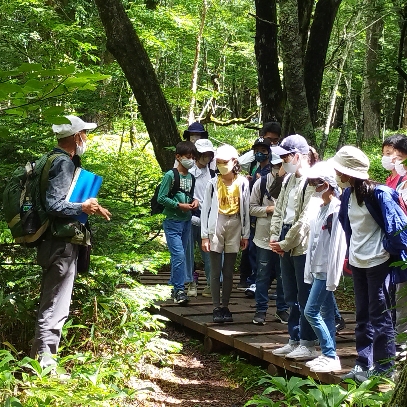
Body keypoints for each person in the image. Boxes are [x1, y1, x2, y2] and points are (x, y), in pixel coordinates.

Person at [30, 115, 111, 369]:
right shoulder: (63, 163)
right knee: (55, 306)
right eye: (84, 134)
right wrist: (82, 207)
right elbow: (54, 205)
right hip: (60, 244)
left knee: (52, 303)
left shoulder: (49, 159)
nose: (86, 138)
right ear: (76, 137)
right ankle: (44, 367)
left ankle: (40, 362)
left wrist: (89, 207)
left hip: (51, 240)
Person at [333, 145, 401, 381]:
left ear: (348, 172)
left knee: (380, 315)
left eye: (339, 170)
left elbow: (398, 228)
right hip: (358, 261)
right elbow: (347, 225)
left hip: (378, 263)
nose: (336, 174)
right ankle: (363, 364)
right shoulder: (347, 195)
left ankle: (384, 368)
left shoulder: (379, 194)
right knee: (362, 315)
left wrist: (386, 249)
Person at [269, 134, 321, 361]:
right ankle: (294, 339)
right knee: (289, 293)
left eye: (286, 157)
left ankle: (308, 342)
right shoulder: (289, 179)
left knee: (304, 293)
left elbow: (305, 220)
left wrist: (285, 243)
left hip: (302, 243)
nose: (283, 162)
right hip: (284, 237)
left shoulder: (313, 180)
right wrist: (275, 237)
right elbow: (279, 209)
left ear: (298, 156)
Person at [303, 162, 346, 373]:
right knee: (326, 313)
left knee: (310, 311)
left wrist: (332, 274)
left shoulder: (336, 210)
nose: (313, 187)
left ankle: (330, 354)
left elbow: (338, 244)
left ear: (327, 184)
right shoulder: (322, 208)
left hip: (326, 269)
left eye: (316, 183)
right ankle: (328, 355)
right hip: (317, 267)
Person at [201, 144, 250, 323]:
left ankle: (225, 306)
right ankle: (216, 307)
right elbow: (205, 210)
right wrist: (204, 236)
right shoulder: (213, 183)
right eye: (219, 162)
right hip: (217, 224)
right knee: (215, 270)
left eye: (225, 162)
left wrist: (246, 234)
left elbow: (246, 209)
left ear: (234, 162)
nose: (221, 165)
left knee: (228, 270)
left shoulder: (242, 183)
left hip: (235, 223)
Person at [238, 122, 282, 290]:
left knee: (265, 251)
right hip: (254, 213)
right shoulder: (254, 167)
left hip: (268, 218)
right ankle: (253, 280)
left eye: (264, 150)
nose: (260, 154)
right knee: (252, 248)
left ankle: (260, 282)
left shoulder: (272, 172)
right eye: (257, 150)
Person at [249, 152, 289, 325]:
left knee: (283, 275)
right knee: (262, 274)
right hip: (263, 237)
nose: (279, 169)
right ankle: (260, 310)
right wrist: (268, 209)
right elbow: (251, 208)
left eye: (282, 165)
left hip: (285, 238)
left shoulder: (292, 182)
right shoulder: (262, 182)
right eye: (276, 166)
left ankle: (282, 309)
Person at [158, 141, 199, 305]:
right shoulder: (170, 175)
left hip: (186, 221)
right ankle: (179, 290)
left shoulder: (191, 177)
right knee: (179, 255)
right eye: (188, 157)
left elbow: (189, 195)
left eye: (193, 157)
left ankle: (175, 286)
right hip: (172, 221)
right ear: (178, 157)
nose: (191, 160)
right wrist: (178, 205)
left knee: (180, 256)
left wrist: (194, 202)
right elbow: (161, 198)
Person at [188, 139, 216, 297]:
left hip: (208, 220)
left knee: (209, 253)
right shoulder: (188, 173)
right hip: (190, 218)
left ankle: (211, 284)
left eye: (209, 154)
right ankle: (191, 282)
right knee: (188, 252)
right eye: (204, 154)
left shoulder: (213, 174)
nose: (207, 157)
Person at [389, 136, 407, 360]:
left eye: (401, 157)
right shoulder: (400, 183)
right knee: (399, 294)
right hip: (400, 247)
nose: (397, 161)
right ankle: (399, 340)